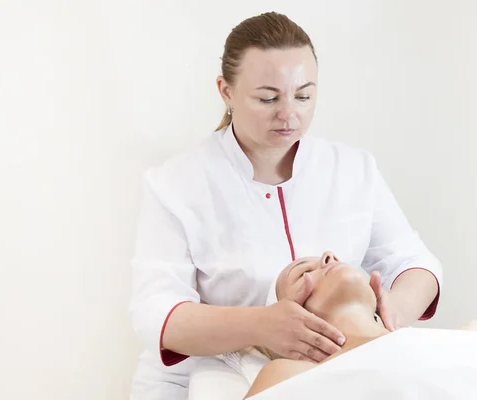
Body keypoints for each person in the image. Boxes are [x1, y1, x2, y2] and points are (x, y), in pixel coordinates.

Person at [129, 12, 442, 400]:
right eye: (268, 98)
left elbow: (415, 263)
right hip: (214, 377)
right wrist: (261, 326)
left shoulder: (352, 170)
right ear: (225, 91)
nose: (289, 114)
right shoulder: (176, 185)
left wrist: (389, 315)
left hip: (344, 368)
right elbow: (155, 311)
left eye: (304, 95)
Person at [242, 251, 477, 399]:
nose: (328, 257)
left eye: (332, 258)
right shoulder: (288, 373)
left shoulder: (475, 337)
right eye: (303, 273)